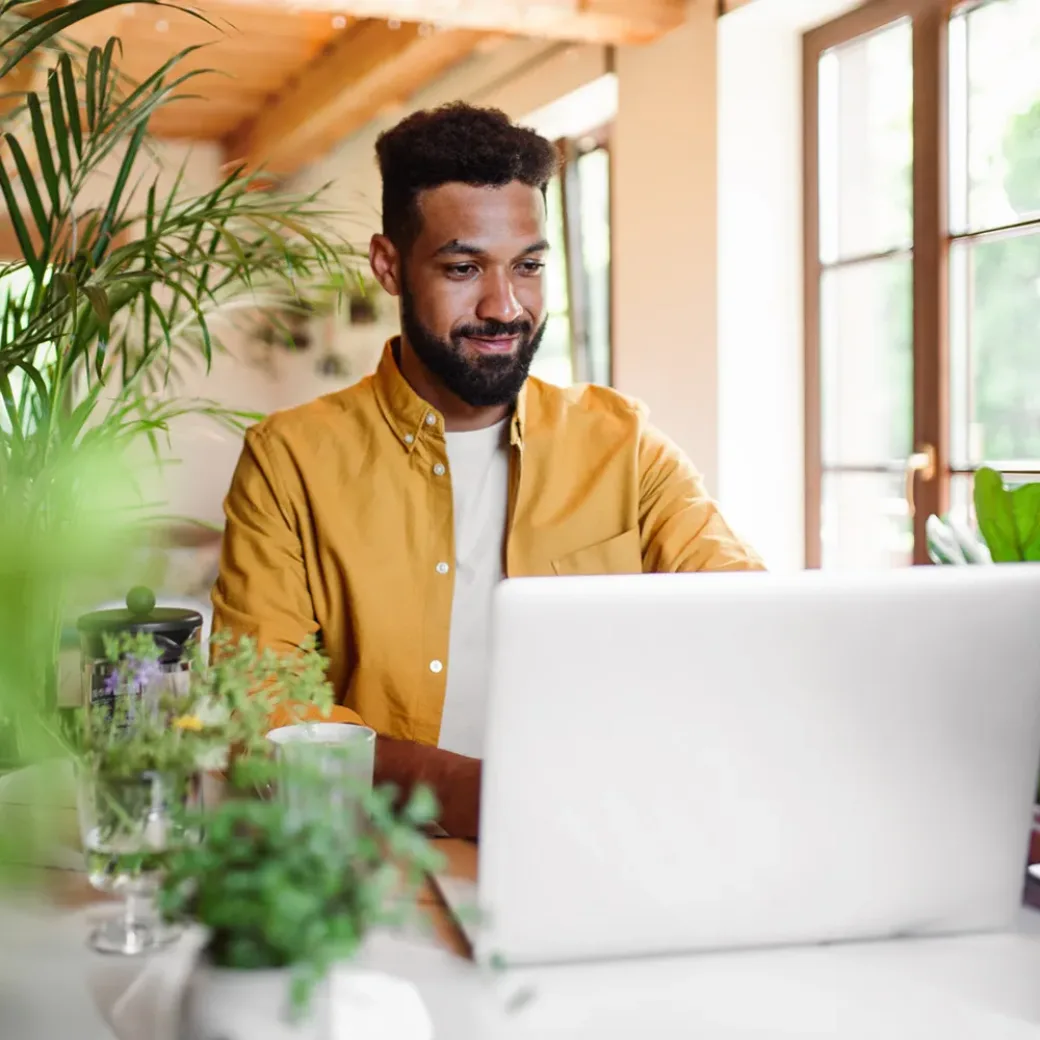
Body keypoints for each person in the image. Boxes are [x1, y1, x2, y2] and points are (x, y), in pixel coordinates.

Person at [212, 103, 763, 840]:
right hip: (378, 860)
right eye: (464, 268)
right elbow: (262, 707)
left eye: (529, 266)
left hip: (599, 837)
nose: (505, 307)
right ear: (388, 265)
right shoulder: (289, 461)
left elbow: (749, 625)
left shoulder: (624, 446)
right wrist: (469, 793)